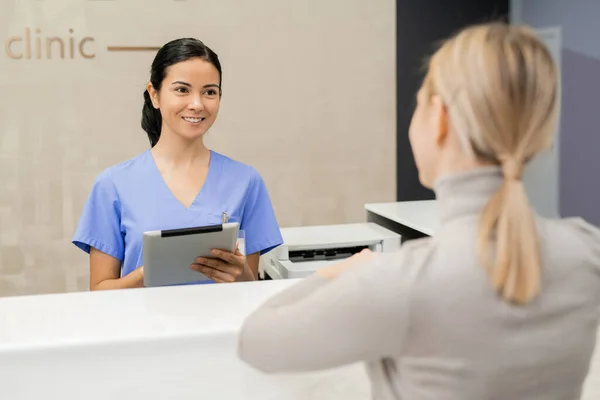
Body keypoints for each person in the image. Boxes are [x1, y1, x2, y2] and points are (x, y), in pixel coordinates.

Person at [237, 22, 600, 399]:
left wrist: (339, 271)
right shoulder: (587, 251)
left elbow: (255, 340)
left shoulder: (399, 281)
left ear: (439, 118)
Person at [72, 38, 283, 290]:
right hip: (144, 327)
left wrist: (242, 277)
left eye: (209, 92)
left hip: (222, 327)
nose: (197, 104)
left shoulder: (246, 182)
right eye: (182, 90)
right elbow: (99, 293)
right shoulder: (113, 184)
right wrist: (149, 272)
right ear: (154, 95)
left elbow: (251, 290)